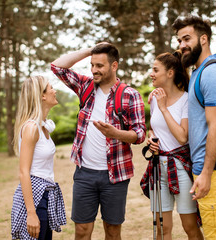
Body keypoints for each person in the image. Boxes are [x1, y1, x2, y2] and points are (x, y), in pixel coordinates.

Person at [51, 42, 146, 240]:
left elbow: (140, 134)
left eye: (100, 66)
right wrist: (90, 51)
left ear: (114, 66)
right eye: (92, 65)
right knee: (82, 231)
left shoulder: (130, 95)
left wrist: (116, 134)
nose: (94, 70)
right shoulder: (85, 87)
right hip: (84, 174)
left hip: (115, 177)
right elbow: (57, 67)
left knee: (112, 232)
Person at [172, 15, 216, 240]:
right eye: (179, 40)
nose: (182, 45)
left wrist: (206, 173)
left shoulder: (212, 73)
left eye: (187, 38)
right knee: (214, 233)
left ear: (203, 39)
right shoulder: (198, 72)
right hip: (207, 165)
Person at [141, 51, 203, 240]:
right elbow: (154, 129)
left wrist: (163, 108)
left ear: (170, 73)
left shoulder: (186, 100)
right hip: (157, 168)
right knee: (162, 228)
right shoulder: (155, 99)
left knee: (189, 226)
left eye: (155, 70)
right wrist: (151, 139)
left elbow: (182, 137)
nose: (151, 73)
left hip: (181, 168)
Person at [11, 76, 66, 240]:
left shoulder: (43, 126)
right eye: (51, 88)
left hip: (45, 195)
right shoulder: (31, 128)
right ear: (41, 95)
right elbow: (23, 172)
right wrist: (31, 213)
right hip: (35, 198)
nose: (54, 91)